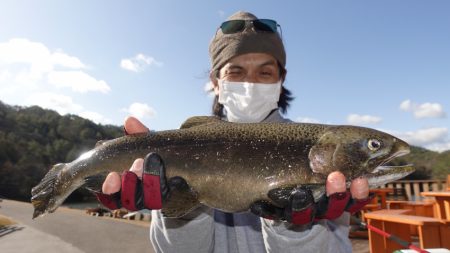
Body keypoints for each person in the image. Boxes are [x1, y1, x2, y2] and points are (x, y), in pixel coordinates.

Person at [96, 11, 372, 253]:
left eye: (264, 73)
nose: (251, 83)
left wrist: (296, 227)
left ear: (281, 78)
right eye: (236, 72)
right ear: (216, 81)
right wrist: (179, 209)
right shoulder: (183, 147)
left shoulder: (322, 157)